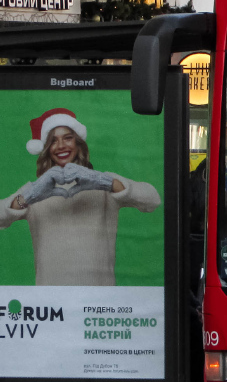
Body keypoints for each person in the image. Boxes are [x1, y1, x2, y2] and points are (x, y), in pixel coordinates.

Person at [0, 108, 161, 285]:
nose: (61, 145)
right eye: (53, 141)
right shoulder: (35, 190)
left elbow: (152, 199)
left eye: (67, 138)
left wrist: (106, 182)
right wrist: (27, 197)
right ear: (46, 148)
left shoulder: (103, 183)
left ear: (78, 142)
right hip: (50, 298)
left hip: (99, 296)